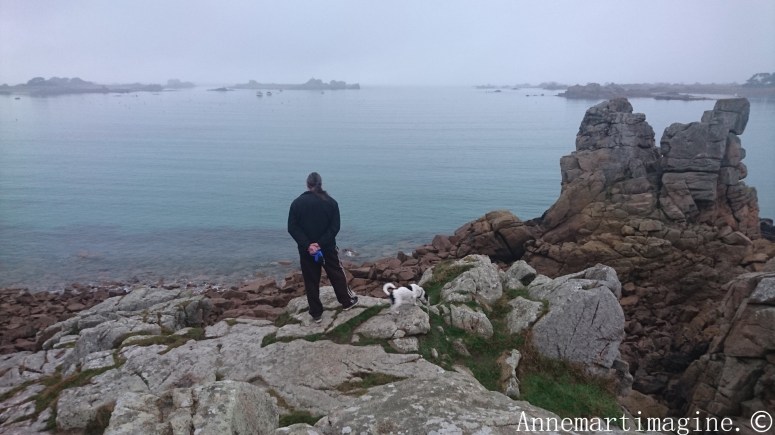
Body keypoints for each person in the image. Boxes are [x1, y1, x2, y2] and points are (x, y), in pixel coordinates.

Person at [288, 172, 358, 322]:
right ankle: (346, 302)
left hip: (307, 251)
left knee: (311, 280)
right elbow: (335, 227)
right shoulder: (331, 203)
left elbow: (292, 228)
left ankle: (316, 313)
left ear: (307, 184)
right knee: (336, 274)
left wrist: (308, 245)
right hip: (327, 248)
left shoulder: (297, 203)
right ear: (321, 183)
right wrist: (320, 243)